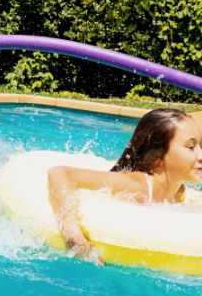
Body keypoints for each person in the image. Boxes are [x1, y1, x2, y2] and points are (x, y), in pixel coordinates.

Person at [48, 108, 202, 264]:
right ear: (158, 158)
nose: (201, 155)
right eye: (191, 147)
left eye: (201, 145)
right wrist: (73, 235)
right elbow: (61, 174)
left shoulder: (178, 192)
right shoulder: (137, 186)